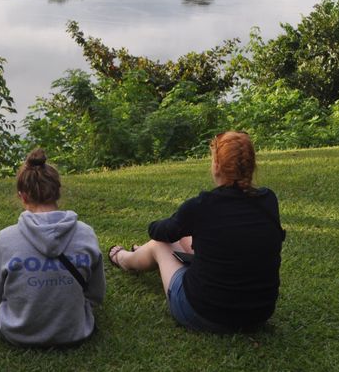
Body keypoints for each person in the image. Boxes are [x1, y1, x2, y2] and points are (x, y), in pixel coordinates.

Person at [109, 131, 285, 332]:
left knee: (159, 245)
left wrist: (157, 225)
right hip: (259, 314)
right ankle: (144, 254)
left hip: (205, 313)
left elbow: (160, 232)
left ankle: (124, 258)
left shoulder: (202, 205)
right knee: (187, 236)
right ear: (251, 166)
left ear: (217, 165)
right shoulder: (268, 199)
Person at [0, 149, 105, 347]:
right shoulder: (86, 233)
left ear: (22, 196)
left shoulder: (5, 239)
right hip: (76, 331)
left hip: (17, 332)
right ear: (58, 192)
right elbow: (96, 293)